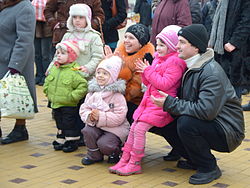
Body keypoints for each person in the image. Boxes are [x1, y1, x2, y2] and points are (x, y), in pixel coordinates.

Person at [151, 24, 245, 185]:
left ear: (195, 47)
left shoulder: (210, 72)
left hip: (228, 130)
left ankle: (209, 167)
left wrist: (170, 103)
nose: (177, 46)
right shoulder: (188, 64)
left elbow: (206, 111)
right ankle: (194, 159)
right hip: (211, 122)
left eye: (182, 42)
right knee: (159, 119)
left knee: (186, 123)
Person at [109, 25, 187, 176]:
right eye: (157, 44)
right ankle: (125, 159)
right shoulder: (158, 59)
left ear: (172, 46)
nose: (158, 48)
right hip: (148, 102)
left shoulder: (175, 62)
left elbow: (164, 84)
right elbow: (149, 82)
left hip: (161, 105)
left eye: (162, 45)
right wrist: (144, 72)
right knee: (133, 128)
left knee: (139, 130)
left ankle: (135, 163)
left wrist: (148, 71)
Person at [79, 56, 130, 165]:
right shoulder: (92, 93)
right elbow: (84, 108)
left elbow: (119, 117)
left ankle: (116, 152)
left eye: (105, 73)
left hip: (115, 129)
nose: (100, 76)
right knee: (87, 131)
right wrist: (89, 116)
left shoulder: (117, 96)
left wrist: (100, 116)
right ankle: (94, 155)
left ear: (112, 77)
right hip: (97, 125)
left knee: (105, 144)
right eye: (99, 72)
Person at [0, 0, 37, 144]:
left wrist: (15, 65)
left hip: (13, 60)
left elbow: (25, 39)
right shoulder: (3, 4)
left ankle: (20, 129)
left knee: (17, 95)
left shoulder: (25, 7)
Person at [43, 40, 88, 152]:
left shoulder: (74, 71)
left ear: (71, 56)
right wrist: (47, 90)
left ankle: (72, 140)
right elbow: (48, 80)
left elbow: (82, 86)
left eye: (63, 53)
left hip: (68, 104)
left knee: (69, 123)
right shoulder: (55, 68)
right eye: (57, 53)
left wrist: (72, 97)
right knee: (59, 121)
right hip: (56, 102)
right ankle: (61, 138)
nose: (58, 55)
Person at [114, 23, 155, 124]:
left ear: (141, 43)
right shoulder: (119, 53)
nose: (126, 41)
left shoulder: (145, 60)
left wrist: (122, 69)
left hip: (135, 102)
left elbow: (134, 90)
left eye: (131, 38)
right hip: (116, 95)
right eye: (126, 37)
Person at [209, 0, 250, 99]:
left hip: (235, 50)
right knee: (219, 84)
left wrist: (234, 42)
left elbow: (246, 21)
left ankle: (234, 112)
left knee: (234, 86)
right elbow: (213, 17)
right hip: (219, 48)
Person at [32, 0, 53, 86]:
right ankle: (38, 75)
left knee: (46, 54)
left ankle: (46, 76)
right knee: (36, 53)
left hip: (47, 26)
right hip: (35, 25)